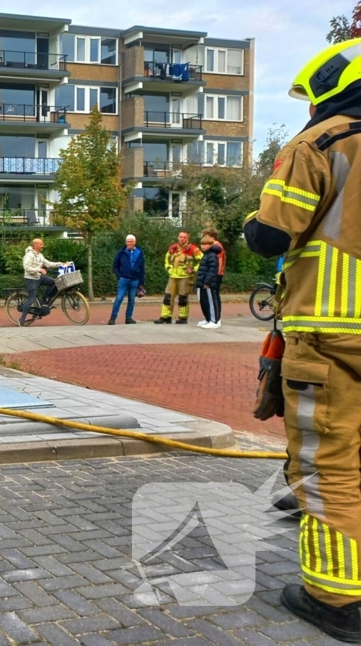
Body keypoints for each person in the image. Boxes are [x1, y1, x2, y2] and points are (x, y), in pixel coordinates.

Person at [243, 38, 361, 641]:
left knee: (329, 467)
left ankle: (335, 599)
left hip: (333, 333)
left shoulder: (322, 142)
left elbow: (270, 235)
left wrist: (249, 225)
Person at [19, 238, 72, 326]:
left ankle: (44, 300)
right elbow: (26, 268)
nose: (43, 246)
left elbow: (48, 264)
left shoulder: (40, 255)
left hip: (38, 277)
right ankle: (22, 319)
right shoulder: (29, 255)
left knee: (54, 282)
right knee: (31, 298)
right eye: (41, 244)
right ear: (36, 246)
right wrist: (39, 269)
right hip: (31, 279)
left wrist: (62, 264)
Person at [154, 231, 202, 324]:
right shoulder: (173, 248)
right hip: (173, 276)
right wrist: (168, 268)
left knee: (182, 298)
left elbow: (201, 261)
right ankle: (165, 317)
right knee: (168, 296)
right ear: (178, 237)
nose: (182, 239)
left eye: (184, 237)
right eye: (180, 237)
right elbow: (167, 259)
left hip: (185, 277)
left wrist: (193, 269)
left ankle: (182, 318)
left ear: (187, 238)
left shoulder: (194, 249)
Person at [109, 234, 144, 325]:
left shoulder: (139, 252)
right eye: (128, 241)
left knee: (131, 299)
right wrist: (119, 276)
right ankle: (113, 318)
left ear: (134, 242)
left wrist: (141, 282)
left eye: (131, 241)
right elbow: (115, 265)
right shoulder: (121, 252)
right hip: (123, 279)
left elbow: (142, 267)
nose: (129, 243)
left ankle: (128, 318)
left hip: (135, 280)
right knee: (119, 298)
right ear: (126, 242)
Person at [199, 228, 226, 327]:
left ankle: (216, 319)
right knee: (209, 297)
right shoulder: (212, 247)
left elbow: (218, 262)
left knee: (214, 297)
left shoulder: (217, 247)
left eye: (206, 236)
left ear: (212, 237)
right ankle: (210, 318)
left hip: (216, 275)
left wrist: (216, 274)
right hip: (214, 275)